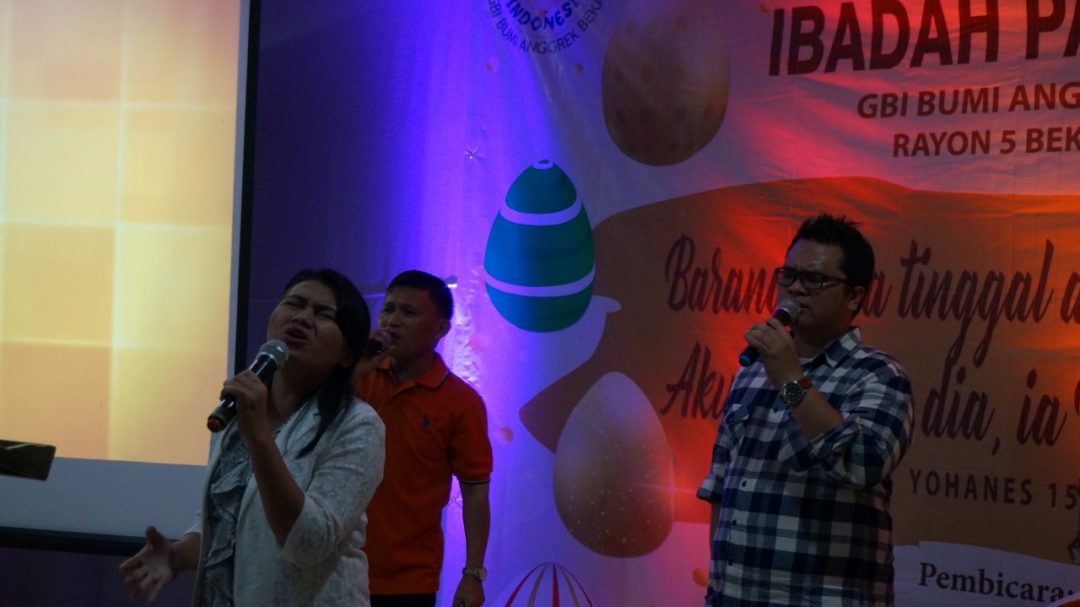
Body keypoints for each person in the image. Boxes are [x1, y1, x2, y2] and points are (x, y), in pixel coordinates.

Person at [120, 268, 386, 606]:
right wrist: (178, 556)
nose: (302, 317)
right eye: (294, 303)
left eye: (323, 313)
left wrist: (260, 437)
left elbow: (308, 542)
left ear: (347, 354)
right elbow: (226, 520)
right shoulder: (238, 411)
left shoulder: (358, 425)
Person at [697, 214, 914, 606]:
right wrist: (719, 586)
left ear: (854, 296)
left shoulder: (878, 375)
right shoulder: (753, 372)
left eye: (814, 279)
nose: (796, 288)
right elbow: (722, 485)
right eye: (789, 275)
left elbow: (862, 464)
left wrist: (790, 379)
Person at [354, 270, 492, 607]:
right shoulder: (357, 377)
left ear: (441, 328)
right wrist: (355, 367)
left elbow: (475, 491)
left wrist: (472, 574)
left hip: (408, 580)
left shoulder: (461, 402)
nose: (392, 321)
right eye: (388, 309)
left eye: (409, 312)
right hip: (336, 566)